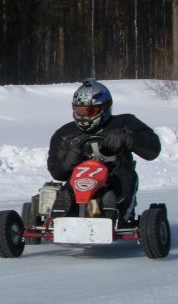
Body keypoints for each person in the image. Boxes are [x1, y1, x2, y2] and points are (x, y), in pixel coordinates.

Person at [46, 78, 161, 222]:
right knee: (73, 181)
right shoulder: (65, 134)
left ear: (104, 108)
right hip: (81, 177)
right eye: (80, 111)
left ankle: (114, 212)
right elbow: (57, 172)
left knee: (127, 176)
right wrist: (71, 159)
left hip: (115, 175)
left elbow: (153, 149)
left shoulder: (125, 122)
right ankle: (63, 211)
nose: (84, 116)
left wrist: (126, 139)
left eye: (90, 111)